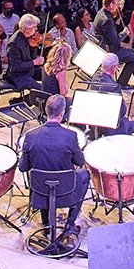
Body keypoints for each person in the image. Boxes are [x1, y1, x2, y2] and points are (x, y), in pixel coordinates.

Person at [18, 94, 89, 239]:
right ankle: (70, 224)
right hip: (66, 191)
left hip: (40, 192)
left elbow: (23, 168)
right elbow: (80, 161)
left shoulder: (30, 136)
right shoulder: (70, 136)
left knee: (43, 175)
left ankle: (46, 225)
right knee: (85, 174)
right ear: (62, 113)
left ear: (45, 111)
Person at [86, 55, 134, 138]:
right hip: (111, 127)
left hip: (95, 123)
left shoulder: (95, 76)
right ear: (113, 67)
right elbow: (122, 111)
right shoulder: (114, 87)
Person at [92, 0, 134, 85]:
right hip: (110, 51)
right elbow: (116, 41)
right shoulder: (107, 21)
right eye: (116, 4)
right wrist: (124, 33)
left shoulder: (101, 12)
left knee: (132, 51)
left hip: (105, 46)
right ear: (111, 5)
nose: (118, 6)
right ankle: (122, 83)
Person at [6, 14, 45, 92]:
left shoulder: (27, 37)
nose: (36, 29)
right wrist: (34, 62)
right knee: (41, 90)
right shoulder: (14, 43)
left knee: (50, 74)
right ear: (27, 29)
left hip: (29, 70)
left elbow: (32, 57)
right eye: (34, 27)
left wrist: (33, 47)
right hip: (18, 76)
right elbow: (15, 66)